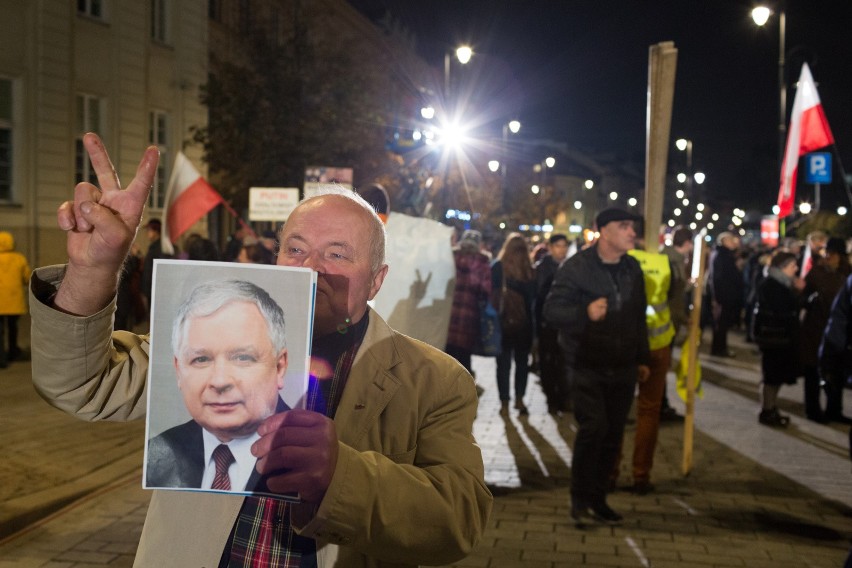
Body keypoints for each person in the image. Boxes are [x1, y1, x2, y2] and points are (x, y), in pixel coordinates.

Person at [29, 133, 491, 566]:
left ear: (376, 279)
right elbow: (81, 387)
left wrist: (341, 475)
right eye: (295, 249)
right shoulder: (210, 341)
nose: (310, 270)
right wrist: (93, 272)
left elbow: (459, 519)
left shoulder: (435, 380)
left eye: (337, 254)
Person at [544, 207, 650, 526]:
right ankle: (579, 499)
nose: (632, 232)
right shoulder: (577, 268)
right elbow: (551, 311)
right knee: (594, 428)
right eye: (624, 226)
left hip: (623, 366)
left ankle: (598, 499)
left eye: (633, 226)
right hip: (585, 363)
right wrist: (583, 312)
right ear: (604, 231)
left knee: (613, 434)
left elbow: (638, 317)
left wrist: (642, 358)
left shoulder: (632, 268)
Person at [146, 280, 290, 491]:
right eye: (201, 359)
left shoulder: (306, 459)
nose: (220, 381)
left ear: (279, 367)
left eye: (242, 357)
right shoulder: (158, 454)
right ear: (178, 370)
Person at [625, 245, 676, 494]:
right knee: (649, 411)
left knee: (617, 413)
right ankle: (641, 475)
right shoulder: (665, 263)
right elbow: (676, 306)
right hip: (659, 343)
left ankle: (609, 474)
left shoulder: (622, 261)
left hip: (626, 346)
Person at [801, 237, 851, 422]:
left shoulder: (846, 273)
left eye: (835, 253)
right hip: (815, 330)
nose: (830, 256)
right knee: (813, 372)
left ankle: (834, 410)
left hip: (837, 332)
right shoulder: (816, 272)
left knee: (836, 373)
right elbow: (803, 298)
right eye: (828, 253)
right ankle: (813, 410)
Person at [752, 250, 804, 427]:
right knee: (771, 376)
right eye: (792, 266)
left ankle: (771, 407)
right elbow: (784, 310)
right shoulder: (772, 285)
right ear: (782, 268)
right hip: (774, 338)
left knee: (776, 375)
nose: (795, 269)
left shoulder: (779, 283)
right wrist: (798, 294)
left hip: (778, 338)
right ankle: (767, 410)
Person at [492, 232, 536, 415]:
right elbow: (533, 300)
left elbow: (491, 295)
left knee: (503, 365)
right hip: (524, 325)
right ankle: (519, 399)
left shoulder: (498, 267)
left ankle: (504, 403)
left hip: (502, 323)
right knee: (522, 363)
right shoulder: (530, 271)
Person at [445, 229, 492, 376]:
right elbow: (486, 290)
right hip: (469, 316)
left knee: (446, 354)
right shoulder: (482, 263)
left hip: (448, 313)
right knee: (464, 354)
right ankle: (463, 388)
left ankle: (443, 389)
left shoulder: (450, 257)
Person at [659, 225, 693, 421]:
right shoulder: (672, 262)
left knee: (663, 364)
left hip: (668, 319)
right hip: (666, 321)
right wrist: (683, 318)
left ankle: (661, 403)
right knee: (662, 364)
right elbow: (674, 298)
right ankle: (660, 405)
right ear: (687, 243)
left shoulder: (671, 259)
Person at [534, 233, 571, 415]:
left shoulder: (570, 267)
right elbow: (540, 297)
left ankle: (564, 398)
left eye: (564, 246)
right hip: (547, 324)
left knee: (563, 361)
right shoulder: (543, 268)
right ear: (550, 247)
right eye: (558, 246)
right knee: (549, 362)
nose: (561, 249)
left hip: (564, 324)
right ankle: (552, 399)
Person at [818, 272, 852, 425]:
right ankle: (832, 411)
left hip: (840, 337)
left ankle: (834, 410)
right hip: (839, 338)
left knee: (836, 376)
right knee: (834, 376)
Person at [707, 231, 743, 357]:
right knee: (721, 324)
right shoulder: (723, 256)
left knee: (721, 324)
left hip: (724, 295)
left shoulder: (721, 254)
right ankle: (719, 349)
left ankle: (719, 348)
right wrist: (719, 296)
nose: (734, 243)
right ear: (724, 242)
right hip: (724, 296)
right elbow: (719, 278)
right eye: (731, 240)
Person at [0, 231, 31, 367]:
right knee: (13, 327)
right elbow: (27, 278)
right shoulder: (19, 258)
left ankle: (1, 359)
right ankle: (13, 352)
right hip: (14, 301)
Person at [139, 218, 171, 313]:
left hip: (155, 292)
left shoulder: (160, 248)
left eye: (149, 230)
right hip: (150, 290)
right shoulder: (154, 247)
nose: (147, 233)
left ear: (156, 231)